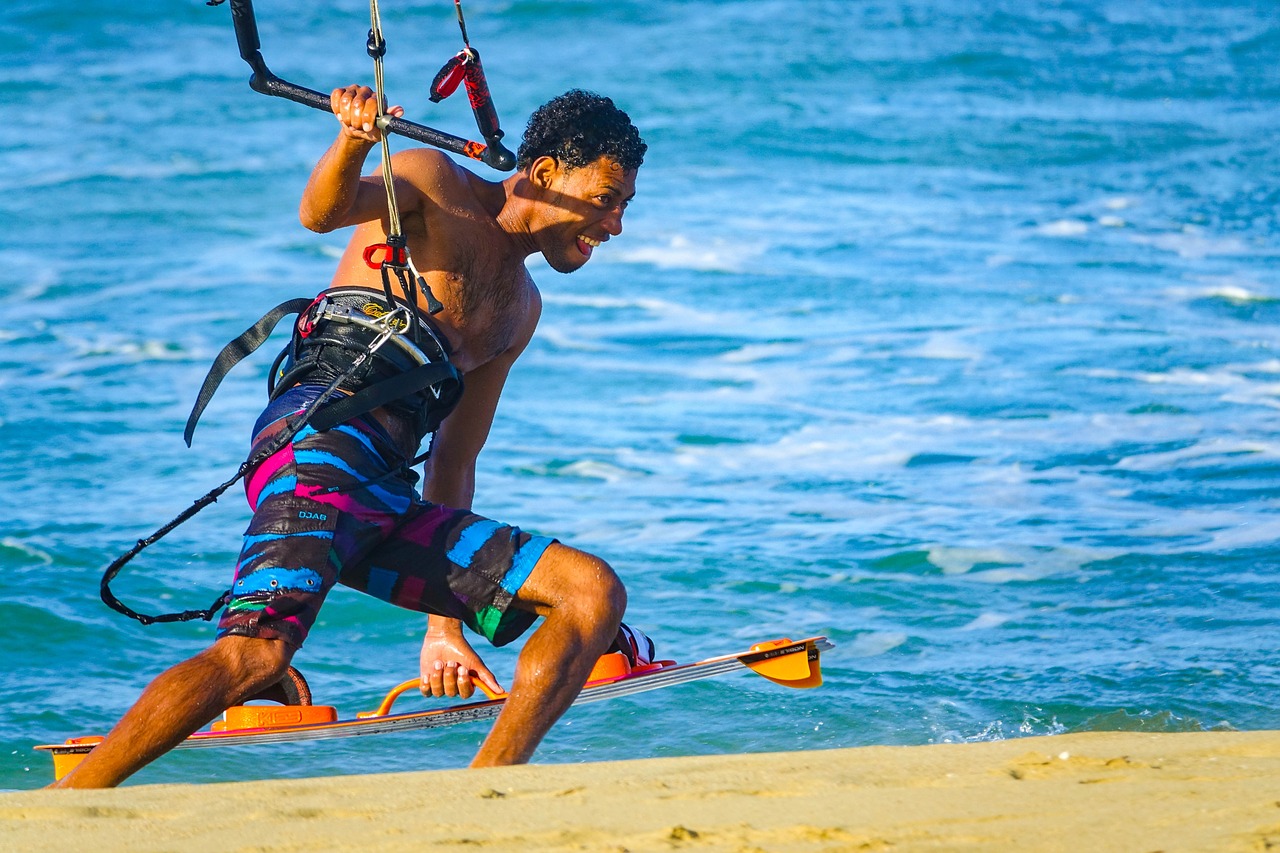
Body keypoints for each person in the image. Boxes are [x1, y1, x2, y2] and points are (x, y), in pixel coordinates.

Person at [53, 85, 647, 788]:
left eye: (624, 206)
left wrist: (444, 627)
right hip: (318, 445)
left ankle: (488, 796)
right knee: (256, 655)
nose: (614, 223)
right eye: (606, 197)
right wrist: (355, 141)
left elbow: (456, 456)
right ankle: (67, 805)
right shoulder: (435, 183)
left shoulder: (520, 310)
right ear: (545, 174)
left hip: (384, 494)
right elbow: (322, 212)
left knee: (588, 593)